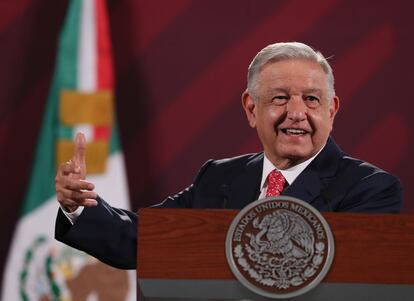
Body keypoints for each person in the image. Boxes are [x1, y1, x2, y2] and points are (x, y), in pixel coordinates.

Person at [55, 42, 403, 270]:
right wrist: (79, 206)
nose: (297, 113)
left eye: (311, 99)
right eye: (280, 98)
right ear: (251, 108)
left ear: (332, 110)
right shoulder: (219, 177)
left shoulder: (369, 189)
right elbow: (144, 240)